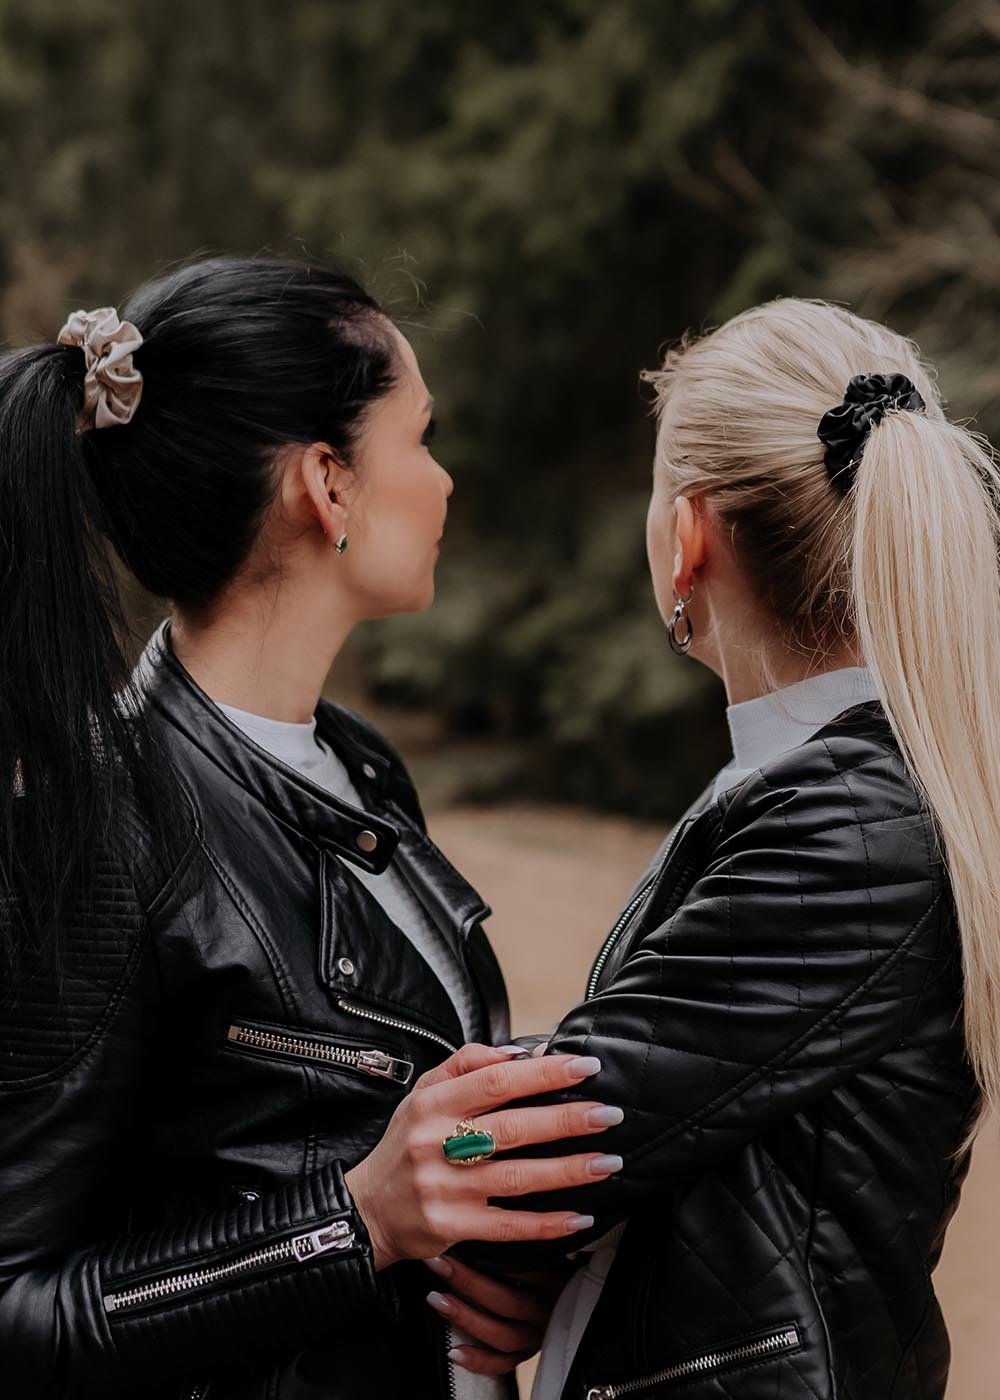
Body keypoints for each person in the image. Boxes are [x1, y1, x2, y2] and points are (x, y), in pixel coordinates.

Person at [0, 257, 627, 1400]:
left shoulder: (360, 765)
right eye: (421, 436)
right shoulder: (104, 827)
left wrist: (474, 1252)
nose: (443, 481)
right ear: (326, 485)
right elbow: (17, 1307)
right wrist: (351, 1224)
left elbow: (403, 1136)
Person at [448, 299, 992, 1400]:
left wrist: (449, 1172)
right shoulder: (827, 789)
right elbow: (678, 1096)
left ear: (685, 534)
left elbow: (558, 1118)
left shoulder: (850, 825)